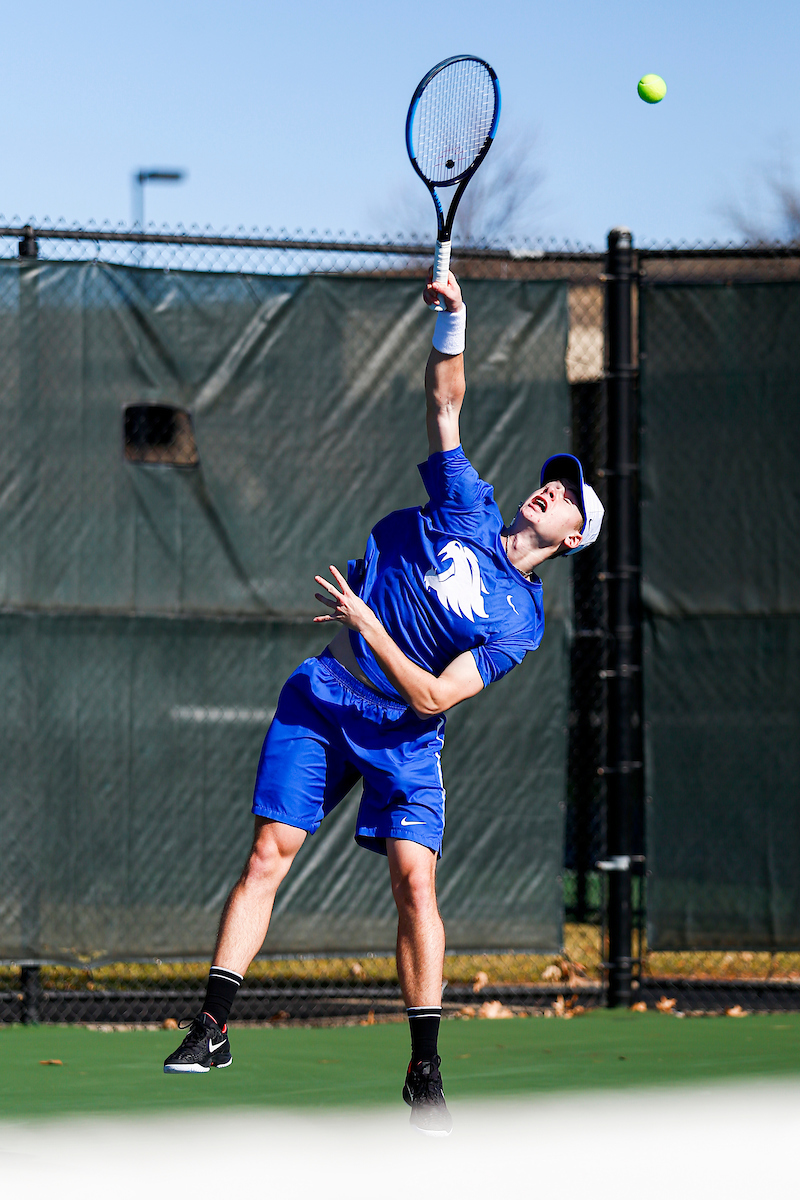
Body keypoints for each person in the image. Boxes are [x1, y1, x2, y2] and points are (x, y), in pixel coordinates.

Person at [163, 269, 604, 1135]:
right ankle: (212, 1027)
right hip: (328, 698)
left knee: (414, 883)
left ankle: (425, 1073)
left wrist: (370, 617)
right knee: (270, 851)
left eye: (567, 496)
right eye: (552, 481)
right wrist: (455, 321)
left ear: (573, 537)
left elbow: (438, 693)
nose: (550, 488)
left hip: (406, 737)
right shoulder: (466, 503)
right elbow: (447, 405)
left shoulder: (520, 624)